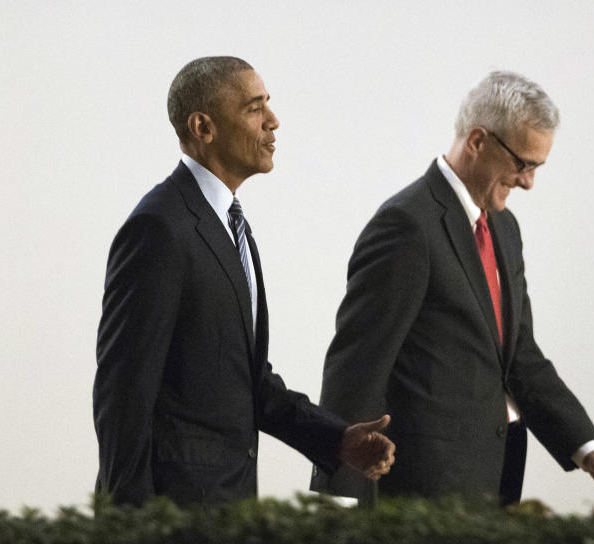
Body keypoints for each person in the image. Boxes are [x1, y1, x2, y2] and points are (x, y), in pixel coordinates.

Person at [312, 71, 594, 507]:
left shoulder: (504, 227)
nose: (528, 182)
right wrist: (340, 497)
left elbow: (520, 357)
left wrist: (589, 450)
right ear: (478, 141)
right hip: (423, 487)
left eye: (536, 167)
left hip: (499, 474)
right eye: (523, 164)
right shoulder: (407, 225)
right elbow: (357, 365)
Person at [93, 56, 395, 507]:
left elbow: (247, 379)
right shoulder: (159, 227)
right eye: (254, 109)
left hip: (228, 511)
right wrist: (130, 525)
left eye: (267, 106)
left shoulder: (231, 225)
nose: (273, 121)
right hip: (172, 516)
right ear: (203, 126)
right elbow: (124, 389)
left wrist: (337, 439)